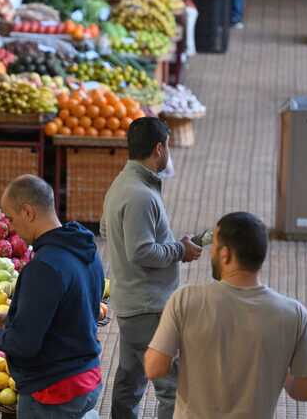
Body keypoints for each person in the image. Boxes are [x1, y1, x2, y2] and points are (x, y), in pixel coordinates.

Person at [144, 212, 307, 418]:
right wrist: (280, 373)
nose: (211, 253)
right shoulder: (295, 314)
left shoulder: (186, 300)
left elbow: (154, 368)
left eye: (214, 246)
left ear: (225, 254)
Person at [0, 174, 105, 419]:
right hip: (88, 377)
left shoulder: (44, 267)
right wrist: (18, 314)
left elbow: (25, 345)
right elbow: (74, 308)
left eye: (10, 217)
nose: (10, 226)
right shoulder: (86, 248)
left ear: (28, 212)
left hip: (53, 391)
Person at [99, 117, 202, 419]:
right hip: (149, 308)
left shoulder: (122, 183)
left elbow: (107, 230)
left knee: (131, 379)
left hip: (133, 303)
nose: (169, 150)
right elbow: (141, 250)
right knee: (172, 385)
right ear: (159, 148)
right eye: (168, 144)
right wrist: (180, 250)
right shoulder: (140, 194)